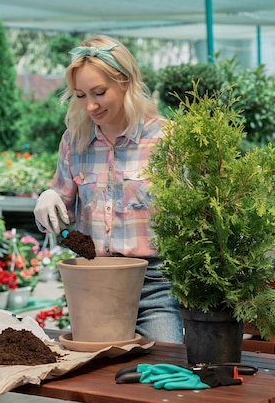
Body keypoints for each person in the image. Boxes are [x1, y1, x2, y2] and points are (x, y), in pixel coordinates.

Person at [33, 35, 183, 344]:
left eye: (99, 92)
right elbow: (60, 205)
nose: (90, 105)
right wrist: (49, 199)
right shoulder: (74, 141)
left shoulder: (166, 140)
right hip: (93, 281)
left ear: (126, 81)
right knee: (94, 378)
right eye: (80, 95)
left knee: (163, 366)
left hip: (154, 285)